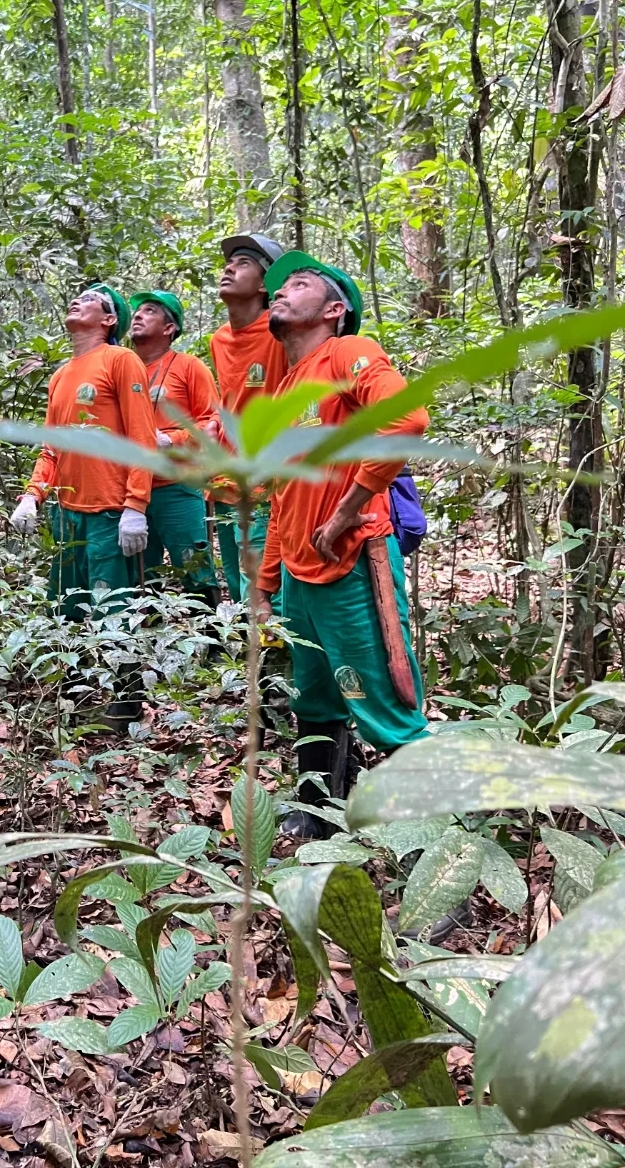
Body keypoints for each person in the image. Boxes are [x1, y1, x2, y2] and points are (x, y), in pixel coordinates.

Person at [255, 251, 429, 839]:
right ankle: (319, 817)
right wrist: (267, 582)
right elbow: (283, 495)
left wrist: (344, 515)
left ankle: (432, 852)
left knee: (385, 708)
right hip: (301, 581)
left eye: (298, 284)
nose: (280, 291)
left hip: (350, 562)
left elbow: (404, 421)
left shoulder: (349, 353)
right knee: (317, 701)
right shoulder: (286, 386)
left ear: (334, 310)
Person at [9, 284, 158, 726]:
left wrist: (136, 505)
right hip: (66, 512)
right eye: (76, 295)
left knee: (112, 606)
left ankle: (125, 703)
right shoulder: (61, 375)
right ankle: (77, 697)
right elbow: (52, 447)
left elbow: (141, 437)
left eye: (91, 298)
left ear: (109, 320)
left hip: (110, 510)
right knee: (67, 605)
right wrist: (32, 495)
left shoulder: (121, 360)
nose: (78, 299)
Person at [128, 290, 220, 606]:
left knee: (194, 570)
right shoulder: (121, 368)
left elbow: (211, 423)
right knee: (140, 578)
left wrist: (171, 440)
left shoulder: (189, 367)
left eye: (150, 311)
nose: (138, 315)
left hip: (178, 486)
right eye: (137, 311)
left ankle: (212, 647)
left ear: (170, 328)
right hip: (129, 492)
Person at [210, 233, 286, 601]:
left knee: (261, 590)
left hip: (265, 483)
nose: (229, 268)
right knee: (239, 590)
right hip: (224, 482)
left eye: (244, 264)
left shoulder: (282, 331)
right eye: (229, 262)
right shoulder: (219, 340)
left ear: (264, 285)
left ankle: (277, 658)